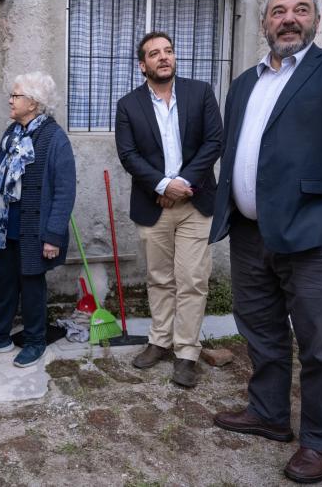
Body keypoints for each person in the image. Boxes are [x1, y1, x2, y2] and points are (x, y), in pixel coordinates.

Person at [208, 0, 322, 483]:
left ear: (315, 20)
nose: (288, 19)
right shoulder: (244, 82)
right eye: (279, 11)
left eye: (299, 10)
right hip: (248, 232)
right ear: (265, 23)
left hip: (312, 235)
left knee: (318, 344)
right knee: (260, 331)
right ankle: (268, 414)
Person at [114, 31, 223, 387]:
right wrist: (162, 185)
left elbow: (214, 142)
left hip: (196, 202)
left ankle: (186, 352)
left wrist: (181, 185)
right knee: (159, 278)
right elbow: (128, 155)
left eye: (169, 51)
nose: (163, 57)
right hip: (153, 204)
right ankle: (160, 340)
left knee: (192, 279)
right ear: (142, 64)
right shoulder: (128, 105)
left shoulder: (200, 92)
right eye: (154, 53)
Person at [0, 72, 76, 368]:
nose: (10, 100)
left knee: (31, 287)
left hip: (36, 231)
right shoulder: (11, 133)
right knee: (2, 283)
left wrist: (53, 235)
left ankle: (34, 341)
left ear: (33, 102)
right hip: (4, 228)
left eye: (15, 95)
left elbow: (65, 190)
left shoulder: (54, 138)